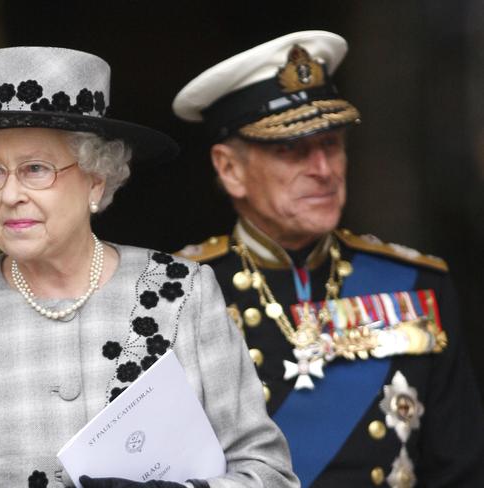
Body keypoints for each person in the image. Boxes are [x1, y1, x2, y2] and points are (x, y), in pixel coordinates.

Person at [0, 47, 299, 488]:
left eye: (35, 169)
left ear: (96, 180)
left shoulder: (184, 292)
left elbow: (268, 474)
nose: (9, 195)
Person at [172, 31, 484, 487]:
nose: (323, 169)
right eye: (291, 150)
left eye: (331, 144)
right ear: (230, 169)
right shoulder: (175, 294)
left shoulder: (415, 283)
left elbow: (460, 470)